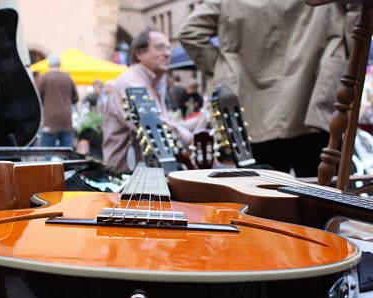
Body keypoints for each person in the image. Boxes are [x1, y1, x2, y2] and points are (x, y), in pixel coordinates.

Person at [179, 1, 359, 177]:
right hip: (312, 102)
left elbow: (190, 33)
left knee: (264, 200)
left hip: (255, 114)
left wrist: (224, 69)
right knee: (327, 200)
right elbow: (359, 23)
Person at [102, 28, 195, 173]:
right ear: (139, 53)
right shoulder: (131, 84)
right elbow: (159, 127)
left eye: (169, 48)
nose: (167, 53)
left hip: (149, 173)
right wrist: (190, 138)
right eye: (160, 47)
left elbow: (168, 124)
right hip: (125, 179)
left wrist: (203, 118)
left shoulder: (155, 84)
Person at [37, 53, 79, 147]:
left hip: (50, 120)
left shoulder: (44, 78)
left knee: (48, 151)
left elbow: (38, 98)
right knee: (66, 151)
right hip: (66, 121)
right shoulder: (67, 77)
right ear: (60, 64)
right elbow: (75, 98)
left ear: (48, 64)